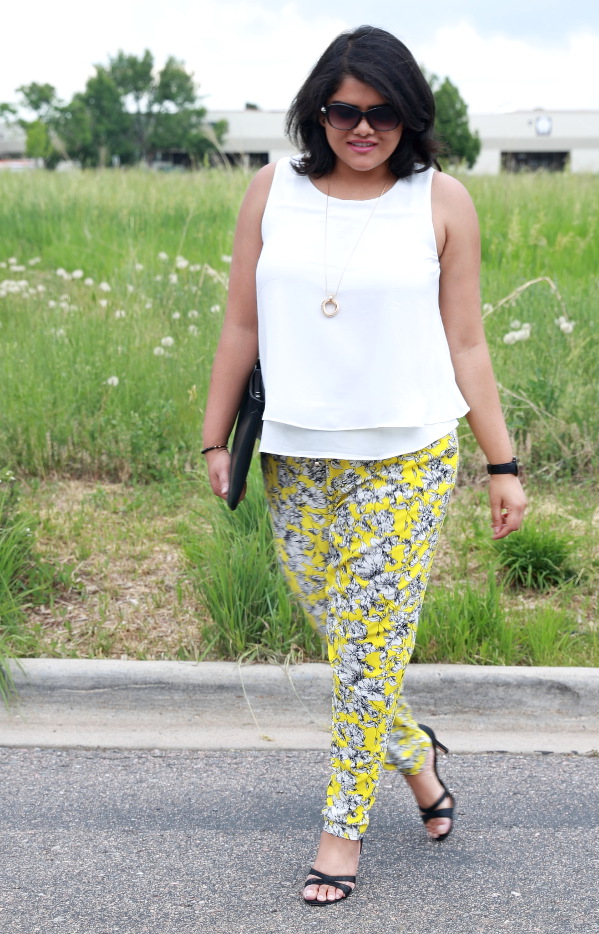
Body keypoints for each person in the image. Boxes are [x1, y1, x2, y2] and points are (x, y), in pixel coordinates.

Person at [201, 25, 527, 906]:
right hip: (295, 458)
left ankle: (342, 832)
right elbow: (241, 323)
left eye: (382, 112)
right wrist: (212, 436)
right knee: (353, 649)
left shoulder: (442, 201)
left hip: (409, 454)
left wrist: (502, 462)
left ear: (409, 116)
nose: (362, 127)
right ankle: (420, 765)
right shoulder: (273, 191)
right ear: (318, 110)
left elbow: (468, 342)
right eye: (345, 110)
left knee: (366, 655)